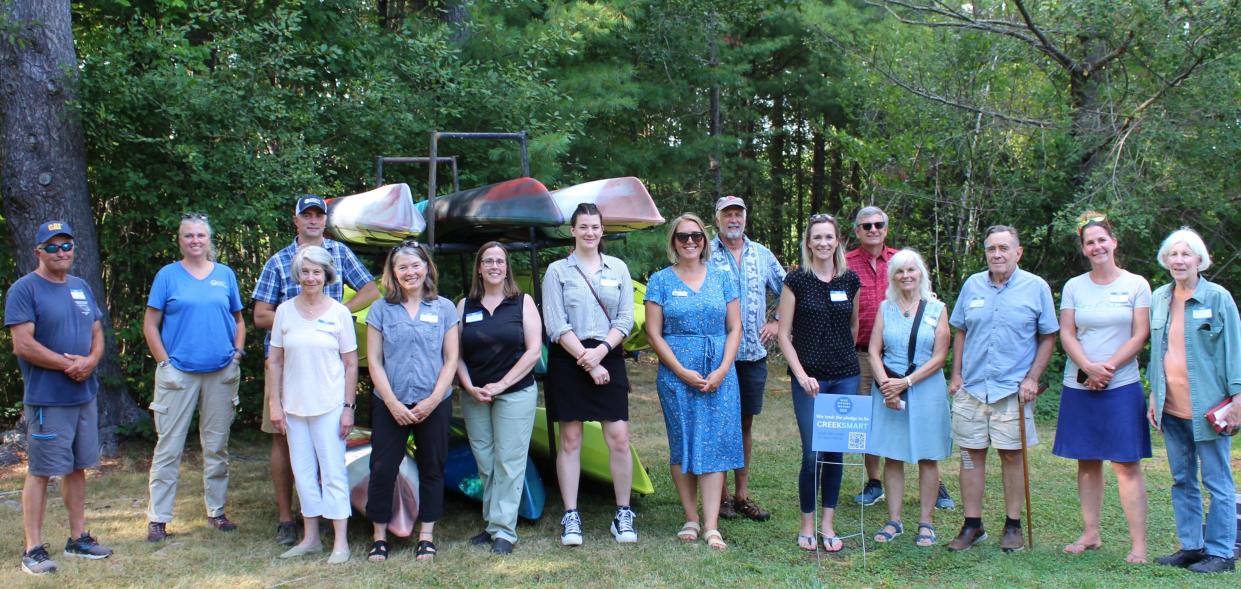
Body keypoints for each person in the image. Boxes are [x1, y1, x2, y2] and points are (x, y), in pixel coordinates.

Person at [253, 195, 379, 545]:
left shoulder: (339, 254)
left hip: (329, 363)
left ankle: (329, 518)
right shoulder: (279, 261)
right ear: (295, 220)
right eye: (305, 215)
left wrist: (337, 312)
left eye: (318, 215)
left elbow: (371, 289)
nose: (312, 220)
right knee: (284, 439)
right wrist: (296, 318)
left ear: (325, 220)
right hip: (286, 365)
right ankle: (286, 518)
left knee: (329, 443)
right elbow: (261, 314)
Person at [6, 220, 114, 575]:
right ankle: (33, 549)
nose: (61, 252)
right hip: (48, 398)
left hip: (83, 395)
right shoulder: (25, 289)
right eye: (52, 247)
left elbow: (97, 330)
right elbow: (22, 344)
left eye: (66, 245)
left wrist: (92, 360)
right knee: (40, 471)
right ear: (38, 252)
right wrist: (68, 366)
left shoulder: (81, 287)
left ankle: (78, 537)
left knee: (77, 468)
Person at [946, 225, 1057, 553]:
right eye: (992, 248)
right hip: (973, 388)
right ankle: (972, 524)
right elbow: (961, 331)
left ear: (1018, 252)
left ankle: (1012, 525)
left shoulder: (1035, 288)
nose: (997, 254)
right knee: (969, 456)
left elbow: (1048, 336)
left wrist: (1033, 378)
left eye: (1004, 248)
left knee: (1011, 456)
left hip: (1012, 390)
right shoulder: (972, 285)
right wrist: (956, 374)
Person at [1053, 213, 1151, 564]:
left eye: (1101, 240)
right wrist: (1087, 367)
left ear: (1114, 243)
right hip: (1080, 384)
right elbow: (1067, 332)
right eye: (1089, 242)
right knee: (1088, 460)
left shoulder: (1136, 284)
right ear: (1084, 249)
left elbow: (1140, 333)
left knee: (1126, 464)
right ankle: (1091, 533)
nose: (1097, 246)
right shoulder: (1074, 286)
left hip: (1121, 384)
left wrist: (1106, 369)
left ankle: (1138, 545)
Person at [143, 214, 246, 542]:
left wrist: (237, 353)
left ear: (209, 239)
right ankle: (158, 518)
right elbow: (150, 324)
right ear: (180, 240)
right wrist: (164, 364)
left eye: (201, 235)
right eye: (189, 235)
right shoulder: (167, 276)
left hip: (220, 374)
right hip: (179, 376)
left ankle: (216, 511)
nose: (195, 240)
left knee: (216, 447)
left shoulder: (225, 275)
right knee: (169, 447)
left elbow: (239, 320)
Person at [645, 213, 744, 551]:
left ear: (705, 241)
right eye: (682, 236)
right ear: (673, 241)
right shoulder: (660, 280)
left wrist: (723, 369)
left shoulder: (722, 278)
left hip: (719, 373)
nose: (690, 242)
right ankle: (691, 517)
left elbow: (735, 328)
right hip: (677, 374)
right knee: (683, 441)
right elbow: (654, 334)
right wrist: (679, 370)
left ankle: (712, 524)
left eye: (696, 236)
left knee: (714, 444)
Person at [542, 202, 638, 546]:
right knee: (570, 440)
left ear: (602, 231)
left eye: (595, 227)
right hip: (569, 359)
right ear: (573, 231)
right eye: (583, 226)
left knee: (619, 438)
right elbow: (555, 324)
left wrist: (600, 354)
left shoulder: (619, 268)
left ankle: (623, 513)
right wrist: (587, 359)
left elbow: (625, 319)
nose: (589, 232)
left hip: (608, 354)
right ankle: (571, 515)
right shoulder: (556, 271)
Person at [847, 206, 953, 510]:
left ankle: (934, 483)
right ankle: (874, 481)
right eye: (865, 225)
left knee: (922, 420)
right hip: (866, 352)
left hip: (913, 360)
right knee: (872, 422)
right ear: (857, 230)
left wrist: (901, 381)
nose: (872, 229)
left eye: (878, 224)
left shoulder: (899, 259)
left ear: (885, 228)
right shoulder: (848, 263)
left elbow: (938, 345)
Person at [1147, 228, 1240, 574]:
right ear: (1165, 260)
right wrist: (1154, 395)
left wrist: (1238, 398)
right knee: (1182, 479)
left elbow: (1234, 349)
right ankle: (1192, 547)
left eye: (1187, 254)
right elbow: (1157, 353)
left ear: (1200, 260)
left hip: (1210, 408)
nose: (1179, 260)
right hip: (1171, 407)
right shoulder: (1159, 298)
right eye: (1173, 254)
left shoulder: (1218, 298)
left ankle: (1221, 553)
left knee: (1217, 481)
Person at [366, 241, 459, 562]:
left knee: (433, 467)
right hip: (390, 403)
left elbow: (451, 359)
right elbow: (374, 362)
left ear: (427, 267)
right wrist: (391, 403)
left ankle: (427, 535)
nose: (410, 272)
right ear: (392, 272)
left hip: (433, 402)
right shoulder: (380, 309)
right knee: (382, 469)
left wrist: (433, 400)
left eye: (415, 265)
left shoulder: (444, 308)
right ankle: (379, 536)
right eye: (402, 267)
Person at [266, 246, 357, 565]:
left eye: (317, 272)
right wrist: (274, 404)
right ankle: (311, 538)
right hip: (293, 408)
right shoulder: (284, 312)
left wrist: (348, 407)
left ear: (327, 275)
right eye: (305, 272)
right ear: (297, 276)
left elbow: (350, 364)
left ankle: (341, 542)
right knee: (303, 474)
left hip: (330, 406)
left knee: (333, 473)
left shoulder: (339, 313)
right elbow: (274, 361)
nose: (310, 277)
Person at [776, 213, 861, 553]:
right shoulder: (796, 281)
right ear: (808, 242)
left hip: (845, 377)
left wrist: (841, 360)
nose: (823, 243)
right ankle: (807, 522)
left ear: (837, 241)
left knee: (834, 452)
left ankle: (828, 523)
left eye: (829, 237)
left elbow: (853, 329)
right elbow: (783, 335)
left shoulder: (849, 280)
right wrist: (801, 374)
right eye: (817, 237)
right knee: (812, 452)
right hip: (808, 378)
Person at [456, 242, 540, 556]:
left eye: (500, 261)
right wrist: (469, 385)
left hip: (515, 393)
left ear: (506, 267)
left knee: (509, 461)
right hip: (474, 395)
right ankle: (492, 524)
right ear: (479, 267)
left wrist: (501, 384)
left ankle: (505, 531)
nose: (494, 266)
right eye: (488, 261)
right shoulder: (464, 305)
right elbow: (456, 355)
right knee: (486, 461)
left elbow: (533, 351)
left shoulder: (523, 302)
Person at [866, 249, 952, 547]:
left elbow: (941, 355)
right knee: (893, 454)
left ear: (921, 274)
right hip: (889, 388)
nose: (906, 276)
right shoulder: (885, 308)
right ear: (893, 276)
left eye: (911, 270)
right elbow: (874, 350)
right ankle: (894, 520)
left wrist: (907, 381)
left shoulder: (936, 309)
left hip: (925, 388)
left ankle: (926, 522)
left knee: (927, 457)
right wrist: (886, 384)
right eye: (900, 271)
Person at [709, 195, 784, 522]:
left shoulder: (762, 255)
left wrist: (778, 321)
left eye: (739, 213)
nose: (734, 219)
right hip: (716, 355)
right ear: (717, 220)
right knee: (718, 424)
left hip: (752, 354)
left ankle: (741, 495)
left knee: (744, 424)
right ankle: (720, 497)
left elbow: (789, 289)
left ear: (745, 218)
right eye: (728, 214)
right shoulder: (704, 252)